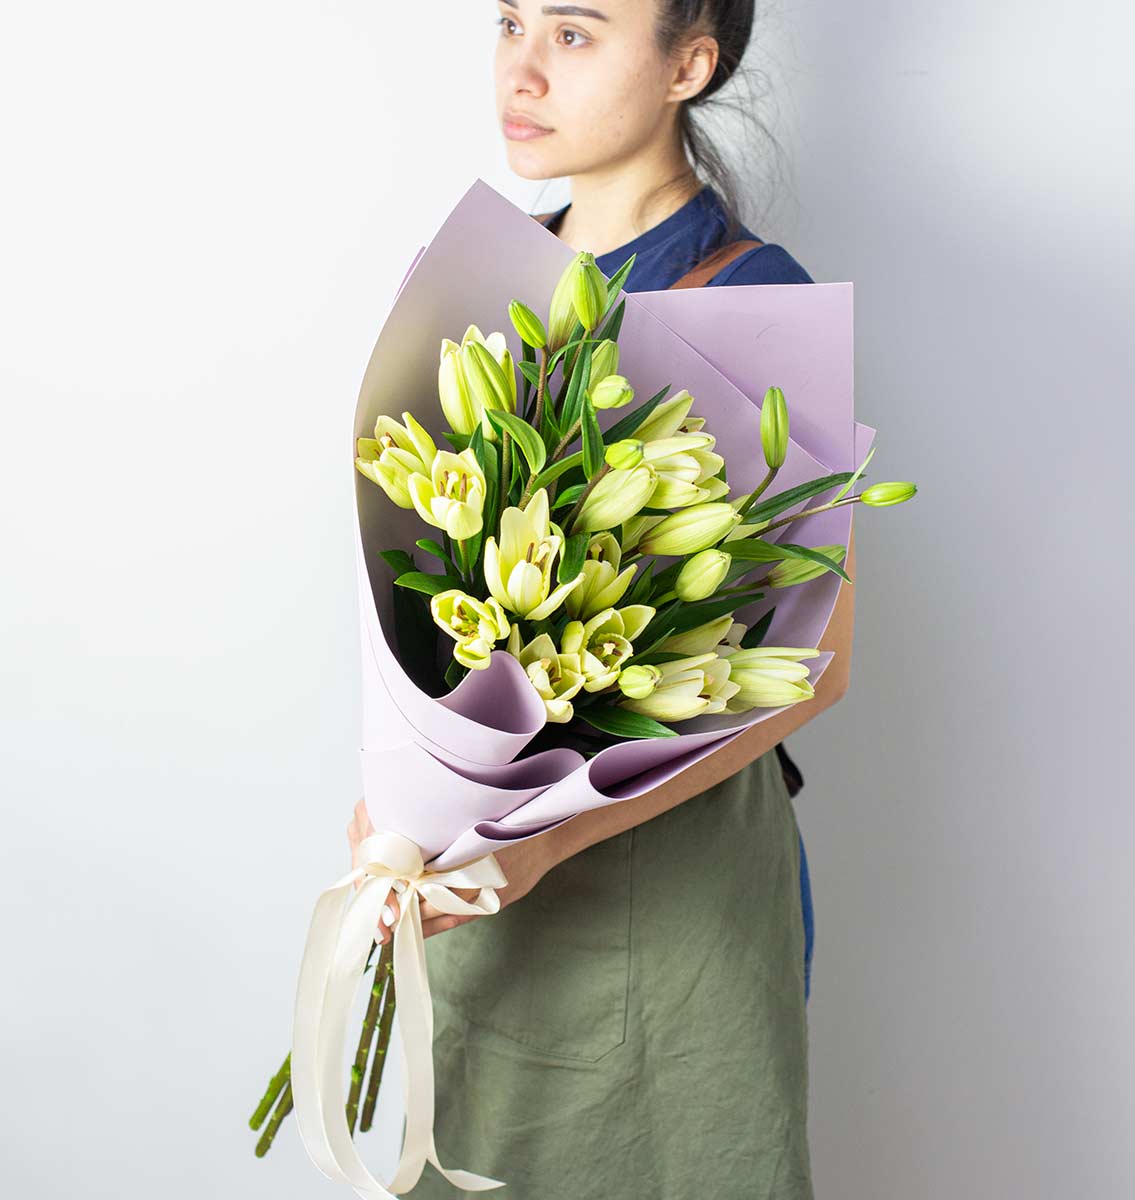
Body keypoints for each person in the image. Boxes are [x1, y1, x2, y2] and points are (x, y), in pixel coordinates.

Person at [346, 2, 856, 1194]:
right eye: (510, 21)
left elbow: (820, 664)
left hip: (669, 893)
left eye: (574, 34)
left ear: (690, 64)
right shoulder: (481, 272)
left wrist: (548, 844)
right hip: (478, 884)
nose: (522, 70)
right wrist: (393, 806)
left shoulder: (751, 293)